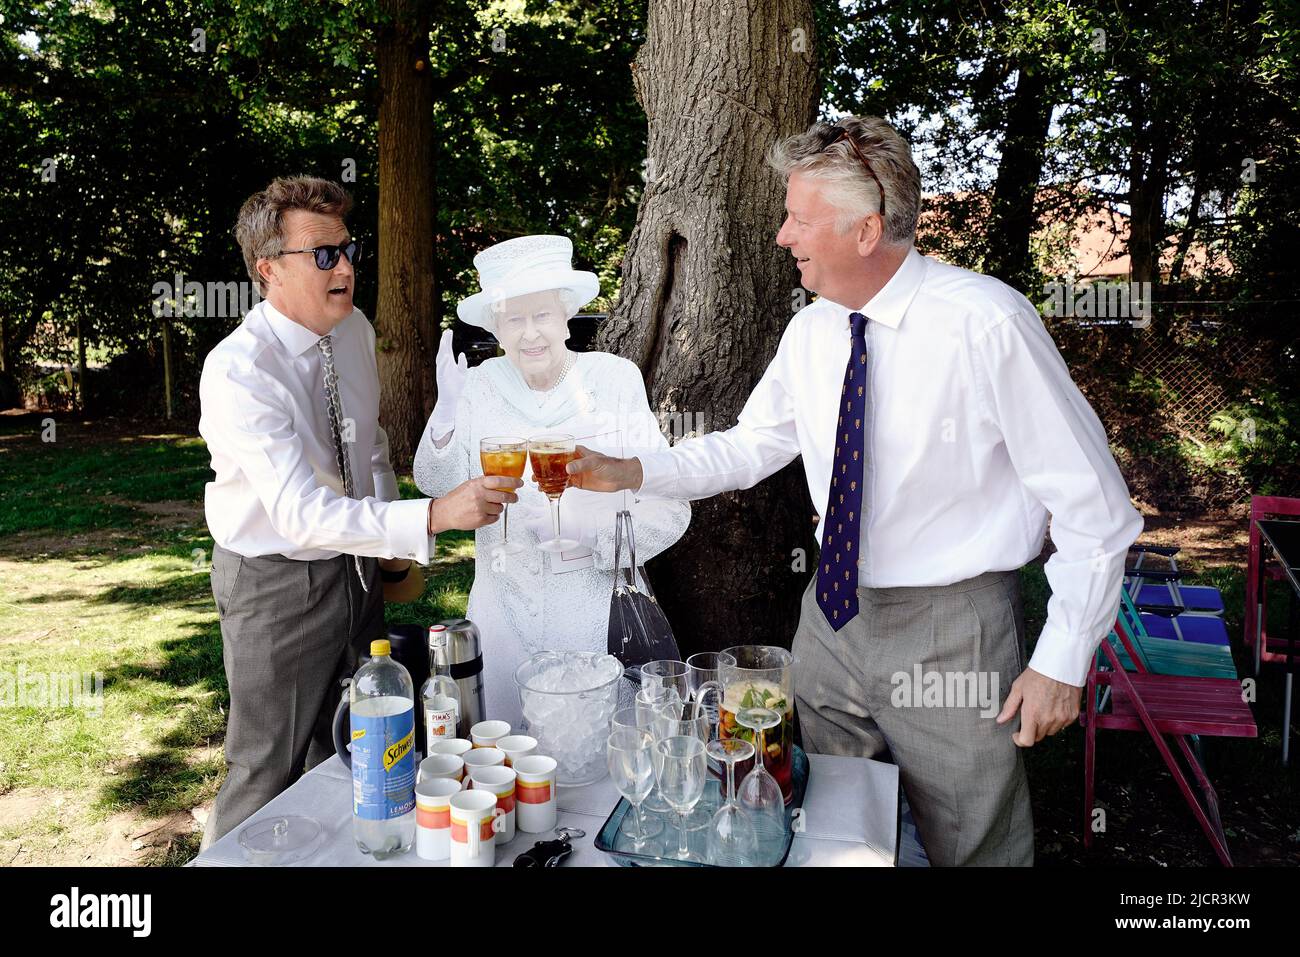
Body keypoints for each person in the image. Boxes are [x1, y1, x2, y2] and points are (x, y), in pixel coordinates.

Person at [565, 117, 1144, 866]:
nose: (782, 236)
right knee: (838, 828)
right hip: (831, 623)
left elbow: (1096, 512)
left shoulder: (986, 323)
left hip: (952, 630)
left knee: (975, 842)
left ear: (866, 229)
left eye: (799, 218)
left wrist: (1062, 659)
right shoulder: (812, 331)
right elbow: (750, 446)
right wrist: (635, 469)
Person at [198, 175, 520, 848]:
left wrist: (386, 546)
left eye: (348, 249)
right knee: (266, 768)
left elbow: (368, 441)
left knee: (359, 744)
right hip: (275, 579)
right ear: (267, 270)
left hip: (357, 567)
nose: (345, 267)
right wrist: (428, 517)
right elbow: (298, 513)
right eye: (323, 255)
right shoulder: (239, 372)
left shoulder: (354, 330)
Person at [413, 235, 690, 728]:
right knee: (505, 765)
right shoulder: (476, 386)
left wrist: (597, 539)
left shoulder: (614, 379)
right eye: (513, 319)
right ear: (496, 326)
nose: (529, 334)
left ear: (566, 315)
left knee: (598, 766)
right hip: (500, 619)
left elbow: (672, 505)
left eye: (541, 315)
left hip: (595, 619)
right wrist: (446, 413)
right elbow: (437, 484)